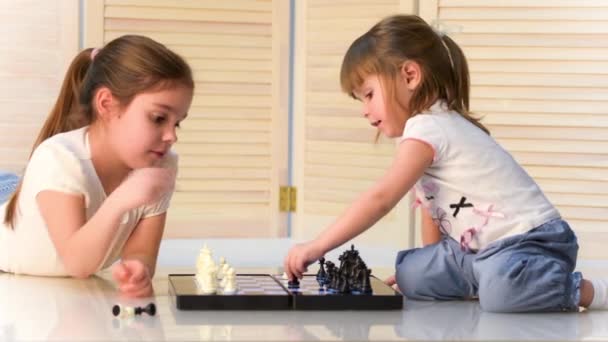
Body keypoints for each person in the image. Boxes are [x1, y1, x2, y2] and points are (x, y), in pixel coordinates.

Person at [283, 14, 608, 312]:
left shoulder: (430, 126)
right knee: (410, 274)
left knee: (502, 293)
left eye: (368, 95)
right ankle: (486, 278)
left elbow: (380, 200)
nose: (364, 111)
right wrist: (434, 264)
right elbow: (432, 209)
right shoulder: (421, 132)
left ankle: (587, 291)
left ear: (409, 75)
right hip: (476, 252)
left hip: (531, 242)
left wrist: (318, 246)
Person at [0, 35, 194, 298]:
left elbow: (141, 252)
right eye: (159, 118)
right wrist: (122, 198)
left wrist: (137, 270)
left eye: (177, 122)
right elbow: (78, 263)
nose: (172, 136)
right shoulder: (58, 158)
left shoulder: (160, 164)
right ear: (105, 104)